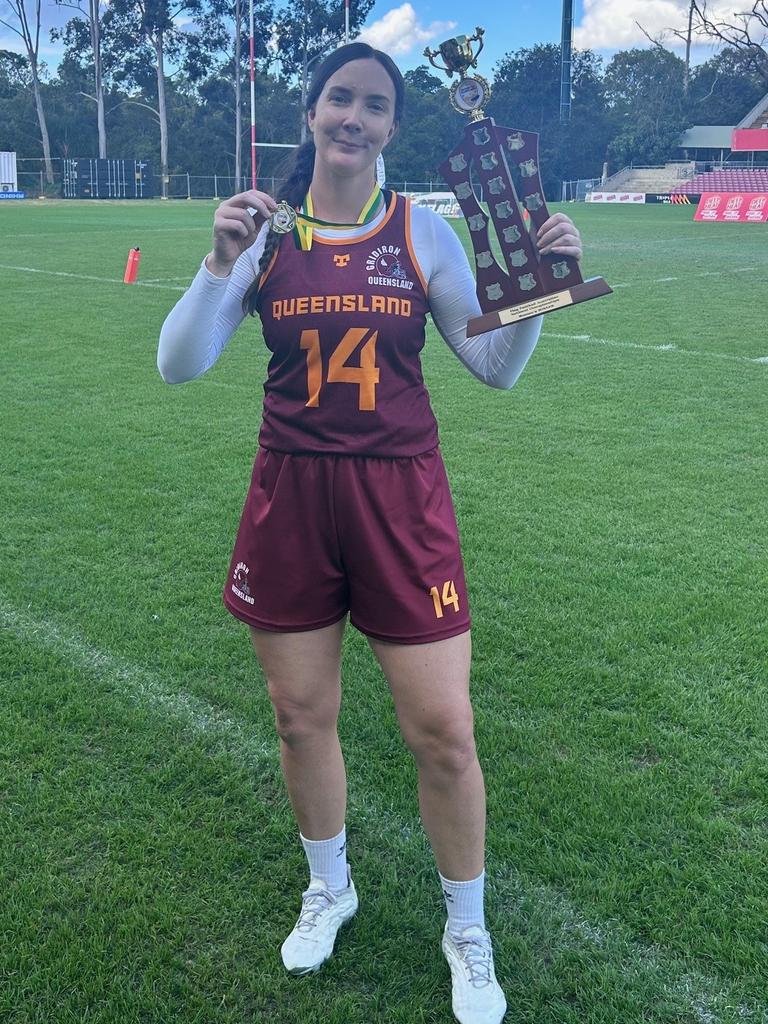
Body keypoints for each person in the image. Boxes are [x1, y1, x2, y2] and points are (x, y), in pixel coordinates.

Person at [157, 41, 582, 1024]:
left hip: (401, 499)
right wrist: (216, 262)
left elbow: (497, 366)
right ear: (311, 113)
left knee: (443, 730)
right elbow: (180, 363)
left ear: (393, 126)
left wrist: (543, 293)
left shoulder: (421, 231)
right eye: (339, 99)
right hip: (291, 497)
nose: (354, 117)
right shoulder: (264, 233)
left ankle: (465, 928)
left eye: (375, 105)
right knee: (300, 716)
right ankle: (329, 884)